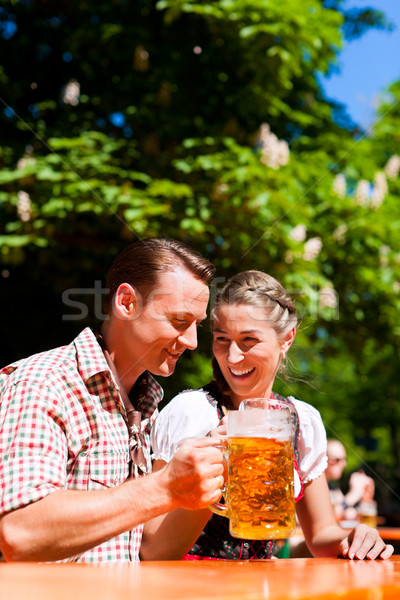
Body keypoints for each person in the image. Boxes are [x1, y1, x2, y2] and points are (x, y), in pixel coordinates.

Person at [0, 237, 225, 563]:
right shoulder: (43, 383)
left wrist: (214, 472)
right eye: (179, 321)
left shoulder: (145, 404)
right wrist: (164, 488)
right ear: (127, 303)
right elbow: (20, 533)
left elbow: (153, 552)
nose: (191, 341)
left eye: (196, 326)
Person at [150, 270, 393, 560]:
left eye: (249, 339)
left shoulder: (302, 420)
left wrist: (352, 537)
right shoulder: (192, 413)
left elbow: (320, 535)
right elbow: (153, 549)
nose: (233, 357)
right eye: (222, 338)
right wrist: (218, 466)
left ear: (286, 338)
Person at [326, 439, 376, 523]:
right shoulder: (310, 486)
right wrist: (354, 495)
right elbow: (324, 517)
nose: (344, 464)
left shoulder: (333, 488)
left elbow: (349, 514)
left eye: (344, 459)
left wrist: (365, 499)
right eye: (338, 460)